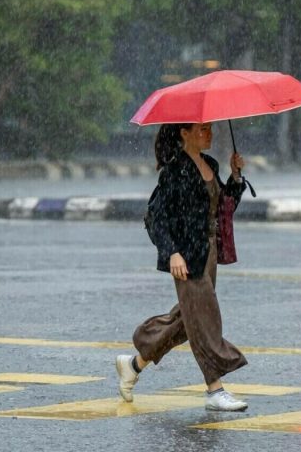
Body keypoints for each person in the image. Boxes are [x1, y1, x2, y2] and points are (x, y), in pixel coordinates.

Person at [115, 122, 249, 411]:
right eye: (202, 129)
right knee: (204, 317)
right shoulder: (175, 171)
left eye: (210, 128)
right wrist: (172, 252)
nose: (209, 133)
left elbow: (223, 206)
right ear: (184, 134)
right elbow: (156, 217)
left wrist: (236, 178)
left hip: (209, 250)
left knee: (188, 319)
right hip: (187, 256)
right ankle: (215, 389)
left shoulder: (210, 163)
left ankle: (134, 365)